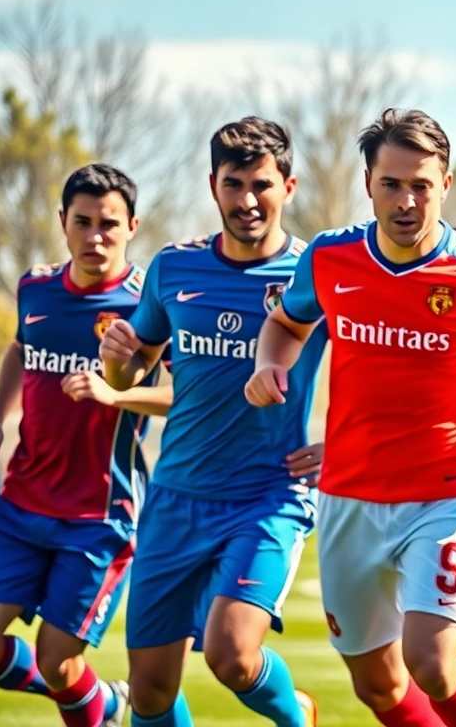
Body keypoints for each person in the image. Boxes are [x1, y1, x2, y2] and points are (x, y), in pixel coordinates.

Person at [246, 108, 456, 727]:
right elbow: (287, 323)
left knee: (433, 662)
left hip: (445, 494)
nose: (406, 200)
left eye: (421, 185)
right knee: (377, 685)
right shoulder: (329, 259)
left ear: (445, 185)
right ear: (368, 183)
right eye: (391, 184)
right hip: (348, 496)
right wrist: (268, 364)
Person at [101, 118, 324, 727]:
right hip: (175, 498)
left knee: (231, 653)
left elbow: (379, 366)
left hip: (267, 496)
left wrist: (344, 443)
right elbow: (133, 372)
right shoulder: (173, 269)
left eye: (261, 184)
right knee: (149, 692)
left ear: (289, 185)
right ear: (213, 185)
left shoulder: (318, 274)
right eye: (234, 184)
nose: (248, 200)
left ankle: (296, 715)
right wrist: (117, 366)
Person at [0, 163, 170, 727]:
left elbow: (182, 397)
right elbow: (20, 347)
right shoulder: (35, 287)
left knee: (59, 663)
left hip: (99, 516)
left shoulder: (148, 307)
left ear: (132, 225)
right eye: (82, 222)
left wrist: (113, 396)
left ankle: (95, 702)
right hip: (20, 505)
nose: (95, 237)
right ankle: (107, 702)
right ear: (62, 222)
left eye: (109, 224)